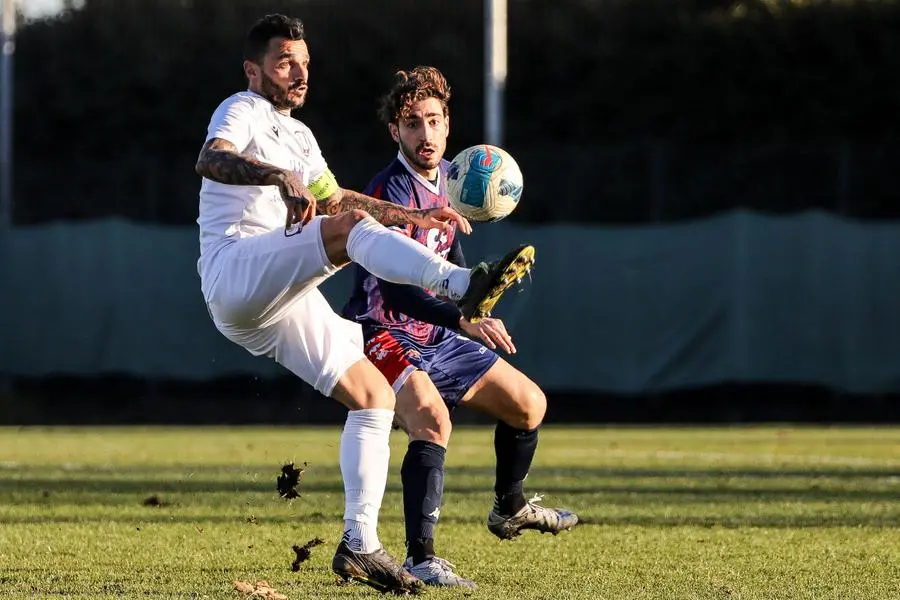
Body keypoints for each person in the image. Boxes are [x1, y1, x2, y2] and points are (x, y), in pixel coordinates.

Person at [194, 15, 535, 595]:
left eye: (304, 61)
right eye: (284, 62)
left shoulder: (300, 137)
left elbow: (340, 198)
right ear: (254, 70)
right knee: (349, 230)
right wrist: (276, 176)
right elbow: (211, 157)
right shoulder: (243, 108)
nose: (299, 71)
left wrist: (416, 217)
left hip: (280, 303)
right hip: (234, 270)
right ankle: (460, 285)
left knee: (374, 396)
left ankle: (360, 545)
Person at [341, 66, 579, 589]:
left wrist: (472, 305)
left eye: (433, 121)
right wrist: (462, 318)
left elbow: (453, 256)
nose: (424, 135)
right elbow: (398, 288)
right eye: (411, 124)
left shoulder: (458, 178)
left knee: (529, 406)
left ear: (448, 125)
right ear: (394, 132)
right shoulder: (389, 192)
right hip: (382, 330)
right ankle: (419, 558)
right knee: (432, 420)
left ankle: (509, 508)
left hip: (437, 330)